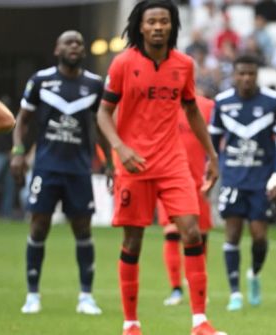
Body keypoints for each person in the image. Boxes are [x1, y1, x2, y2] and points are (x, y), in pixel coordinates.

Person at [95, 1, 223, 334]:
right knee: (133, 241)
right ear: (140, 26)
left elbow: (193, 112)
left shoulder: (184, 65)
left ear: (172, 25)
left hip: (172, 162)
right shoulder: (123, 63)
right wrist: (119, 149)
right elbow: (103, 113)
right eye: (151, 21)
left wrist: (211, 155)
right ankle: (131, 323)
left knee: (192, 232)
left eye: (163, 21)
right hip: (133, 164)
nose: (157, 27)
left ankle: (200, 321)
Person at [10, 30, 108, 315]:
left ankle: (86, 296)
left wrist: (111, 163)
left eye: (79, 43)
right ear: (57, 49)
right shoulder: (41, 81)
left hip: (78, 170)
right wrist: (18, 151)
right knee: (39, 226)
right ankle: (32, 295)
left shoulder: (93, 84)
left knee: (83, 230)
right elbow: (22, 120)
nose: (74, 46)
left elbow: (101, 126)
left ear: (84, 51)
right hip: (46, 167)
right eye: (68, 42)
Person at [208, 53, 276, 312]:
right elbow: (213, 140)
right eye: (241, 73)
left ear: (257, 75)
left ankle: (254, 275)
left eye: (251, 74)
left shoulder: (272, 102)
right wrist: (212, 168)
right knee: (231, 233)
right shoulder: (222, 102)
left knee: (259, 237)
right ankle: (235, 292)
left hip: (261, 180)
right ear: (234, 75)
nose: (246, 78)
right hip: (233, 178)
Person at [158, 92, 215, 307]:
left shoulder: (207, 106)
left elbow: (217, 137)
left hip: (198, 181)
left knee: (199, 235)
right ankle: (175, 289)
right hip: (168, 179)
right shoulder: (163, 103)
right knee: (171, 233)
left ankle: (196, 286)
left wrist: (213, 165)